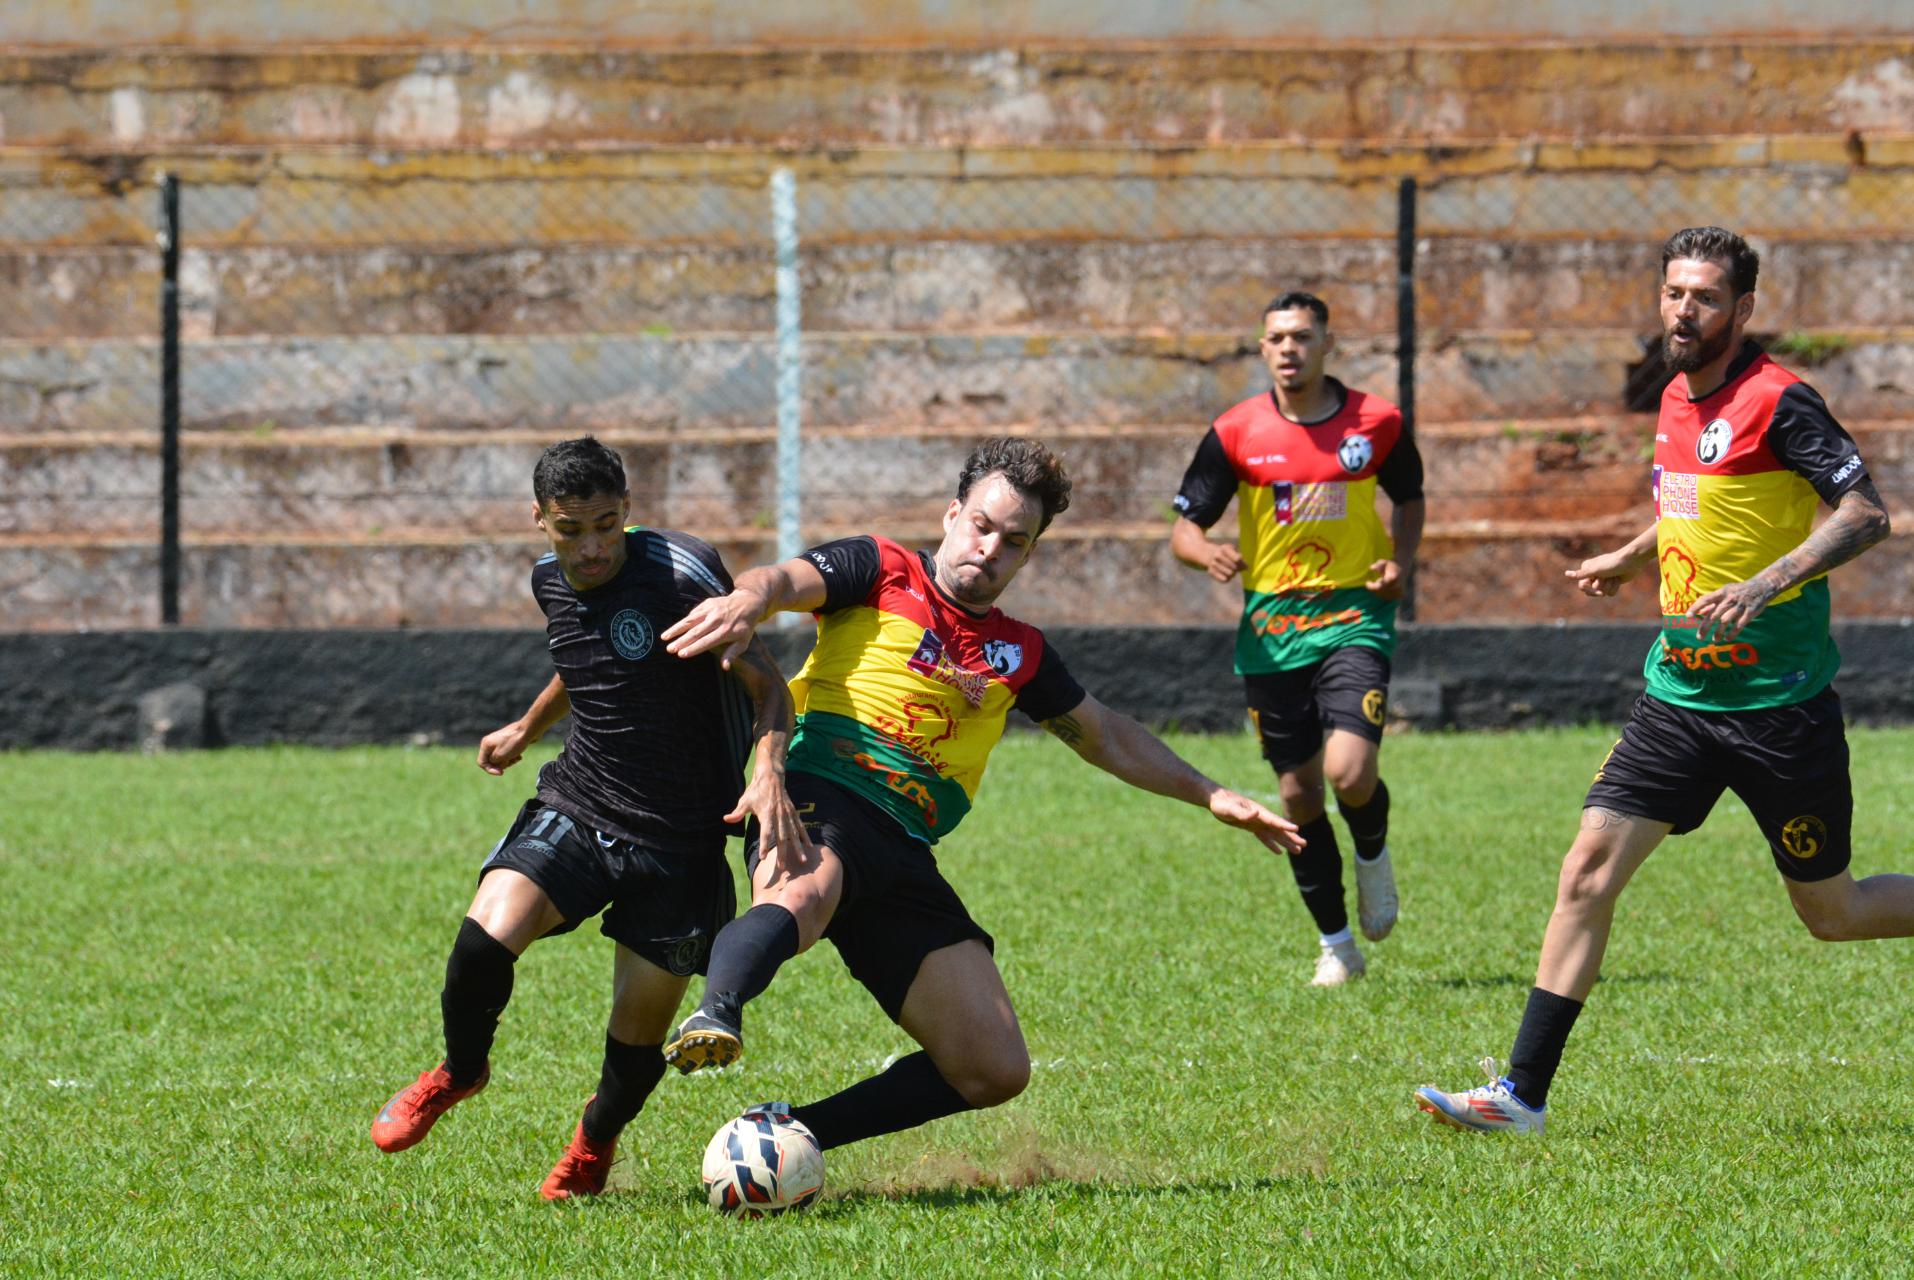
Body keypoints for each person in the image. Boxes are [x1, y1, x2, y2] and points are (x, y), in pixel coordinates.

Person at [655, 436, 1305, 1163]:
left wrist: (1210, 793)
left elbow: (1106, 736)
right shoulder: (880, 568)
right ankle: (717, 1012)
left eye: (1014, 541)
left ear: (1028, 554)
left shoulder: (1018, 652)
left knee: (994, 1067)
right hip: (817, 793)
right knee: (805, 895)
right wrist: (746, 598)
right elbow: (779, 578)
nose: (991, 548)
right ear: (952, 515)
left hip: (903, 851)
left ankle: (794, 1133)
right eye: (982, 526)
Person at [1415, 226, 1900, 1134]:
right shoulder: (1675, 394)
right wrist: (1639, 556)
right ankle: (1521, 1095)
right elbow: (1696, 502)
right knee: (1586, 871)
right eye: (1675, 292)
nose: (1685, 310)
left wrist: (1764, 586)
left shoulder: (1783, 401)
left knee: (1831, 913)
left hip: (1777, 706)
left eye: (1706, 297)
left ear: (1743, 309)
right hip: (1678, 696)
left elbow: (1866, 515)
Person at [368, 436, 810, 1197]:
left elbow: (770, 691)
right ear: (539, 519)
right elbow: (585, 656)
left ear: (628, 512)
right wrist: (528, 725)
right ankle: (460, 1070)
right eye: (572, 530)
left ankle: (593, 1145)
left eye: (608, 525)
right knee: (482, 940)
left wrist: (768, 772)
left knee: (634, 1043)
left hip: (681, 840)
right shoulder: (551, 580)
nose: (593, 547)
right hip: (583, 800)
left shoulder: (683, 574)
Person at [1168, 291, 1426, 987]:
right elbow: (1184, 529)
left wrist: (1400, 559)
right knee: (1300, 797)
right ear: (1262, 348)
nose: (1290, 349)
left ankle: (1372, 855)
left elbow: (1410, 496)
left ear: (1326, 345)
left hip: (1352, 616)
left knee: (1349, 773)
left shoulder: (1377, 422)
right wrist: (1207, 554)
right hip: (1272, 630)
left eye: (1303, 337)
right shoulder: (1235, 431)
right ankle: (1338, 946)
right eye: (1277, 338)